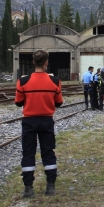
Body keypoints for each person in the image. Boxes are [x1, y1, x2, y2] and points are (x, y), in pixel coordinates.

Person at [15, 50, 63, 197]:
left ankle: (28, 188)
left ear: (33, 62)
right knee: (48, 152)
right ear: (46, 62)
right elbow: (59, 103)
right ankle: (50, 186)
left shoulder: (22, 82)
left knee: (28, 153)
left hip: (29, 121)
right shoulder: (55, 81)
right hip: (47, 120)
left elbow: (18, 102)